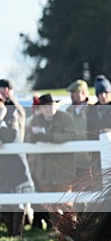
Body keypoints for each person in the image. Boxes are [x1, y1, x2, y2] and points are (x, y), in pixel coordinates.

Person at [25, 94, 77, 228]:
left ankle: (73, 227)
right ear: (40, 108)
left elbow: (70, 135)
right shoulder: (35, 120)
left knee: (66, 201)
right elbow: (28, 137)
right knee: (50, 202)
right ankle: (57, 229)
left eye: (51, 105)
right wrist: (35, 138)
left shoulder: (65, 118)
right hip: (44, 168)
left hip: (63, 167)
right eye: (45, 106)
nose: (48, 108)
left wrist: (49, 137)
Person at [0, 79, 34, 237]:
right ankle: (10, 233)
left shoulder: (14, 109)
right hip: (4, 162)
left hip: (15, 161)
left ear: (6, 90)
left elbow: (12, 135)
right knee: (5, 197)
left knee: (18, 197)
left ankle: (17, 234)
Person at [65, 79, 94, 179]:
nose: (72, 95)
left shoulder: (92, 109)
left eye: (74, 92)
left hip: (90, 161)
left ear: (83, 92)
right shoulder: (68, 111)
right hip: (74, 162)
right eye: (72, 93)